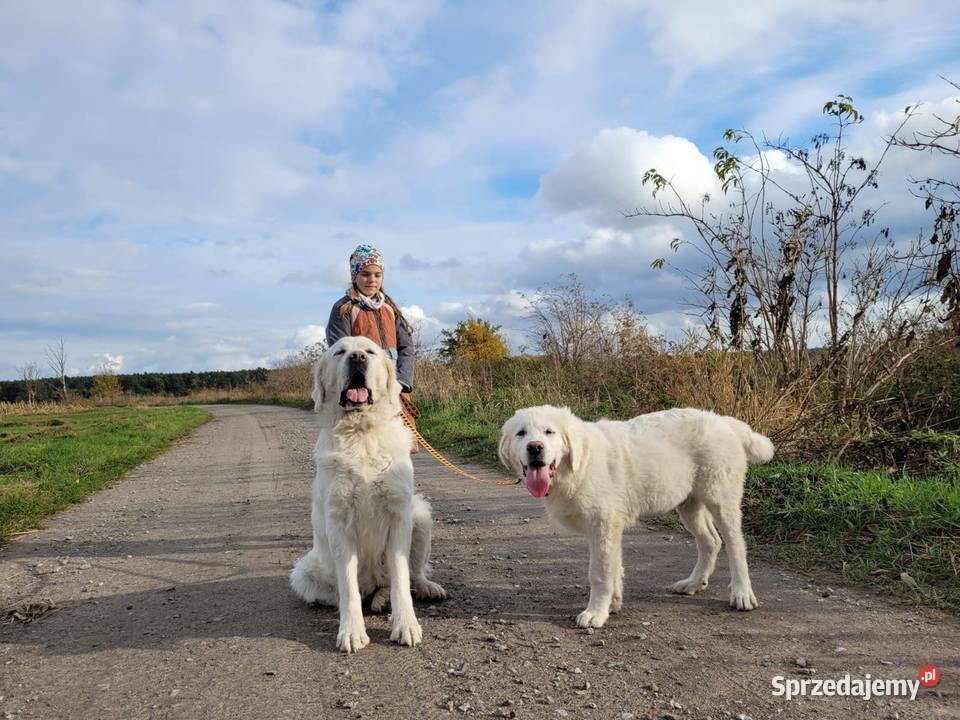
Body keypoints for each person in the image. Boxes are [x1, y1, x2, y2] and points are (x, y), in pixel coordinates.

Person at [326, 244, 420, 452]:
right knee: (364, 442)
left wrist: (401, 382)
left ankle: (393, 482)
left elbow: (407, 348)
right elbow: (337, 351)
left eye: (378, 275)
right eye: (366, 274)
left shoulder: (390, 308)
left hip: (392, 387)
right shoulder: (344, 309)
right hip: (358, 387)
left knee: (398, 443)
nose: (372, 280)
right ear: (354, 276)